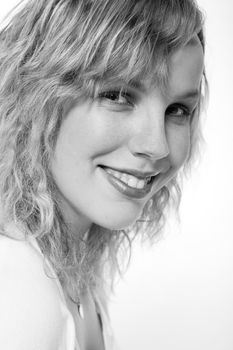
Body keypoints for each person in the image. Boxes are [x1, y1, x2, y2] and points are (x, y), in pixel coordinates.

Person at [0, 0, 207, 349]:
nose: (157, 146)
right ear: (34, 96)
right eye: (118, 95)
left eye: (177, 110)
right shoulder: (16, 287)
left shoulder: (69, 271)